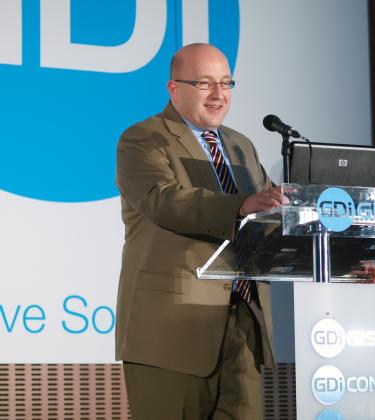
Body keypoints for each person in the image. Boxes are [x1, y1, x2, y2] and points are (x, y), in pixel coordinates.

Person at [115, 43, 286, 419]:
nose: (218, 94)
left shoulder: (241, 146)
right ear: (174, 88)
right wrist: (240, 205)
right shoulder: (143, 139)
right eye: (205, 83)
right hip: (172, 332)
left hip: (246, 326)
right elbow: (164, 200)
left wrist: (345, 261)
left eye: (226, 83)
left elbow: (272, 216)